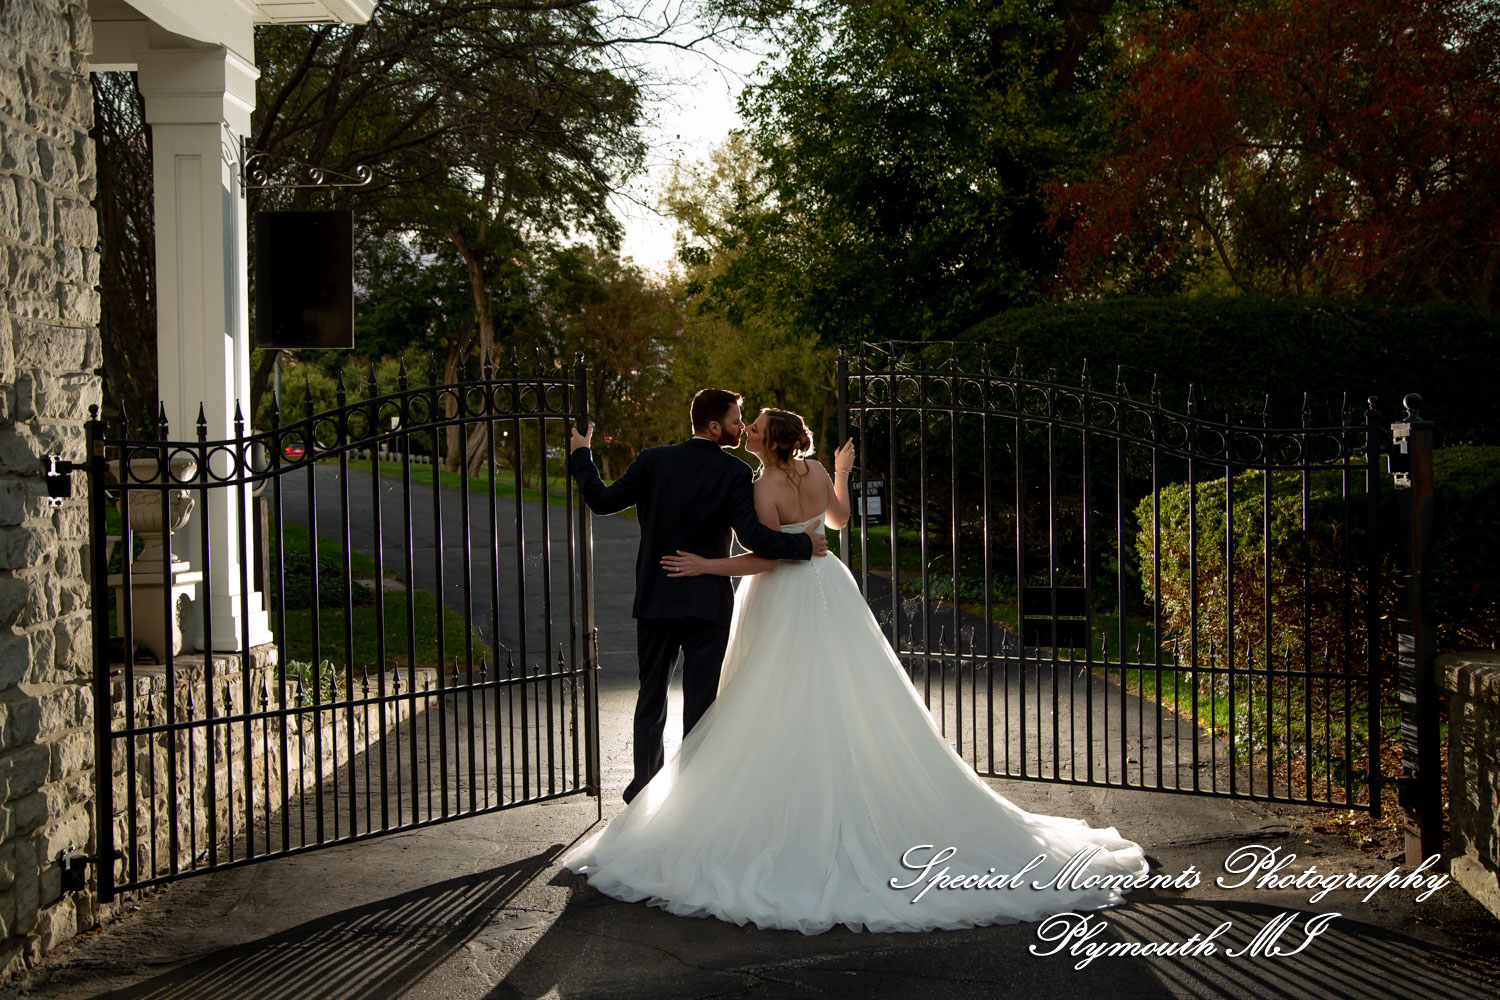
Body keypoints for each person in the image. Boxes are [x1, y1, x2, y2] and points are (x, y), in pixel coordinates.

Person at [564, 407, 1148, 934]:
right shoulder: (804, 471)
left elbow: (761, 547)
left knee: (753, 697)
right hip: (827, 587)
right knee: (839, 689)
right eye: (743, 421)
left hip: (756, 593)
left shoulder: (750, 479)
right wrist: (836, 477)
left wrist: (704, 561)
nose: (747, 431)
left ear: (767, 441)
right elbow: (833, 526)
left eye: (755, 426)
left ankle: (678, 798)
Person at [568, 389, 828, 804]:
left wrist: (582, 453)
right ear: (714, 426)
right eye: (736, 419)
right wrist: (802, 546)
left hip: (657, 597)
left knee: (650, 693)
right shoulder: (735, 472)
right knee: (702, 701)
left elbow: (601, 500)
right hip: (708, 602)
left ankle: (643, 789)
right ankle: (694, 798)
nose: (741, 427)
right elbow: (754, 537)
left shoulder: (653, 461)